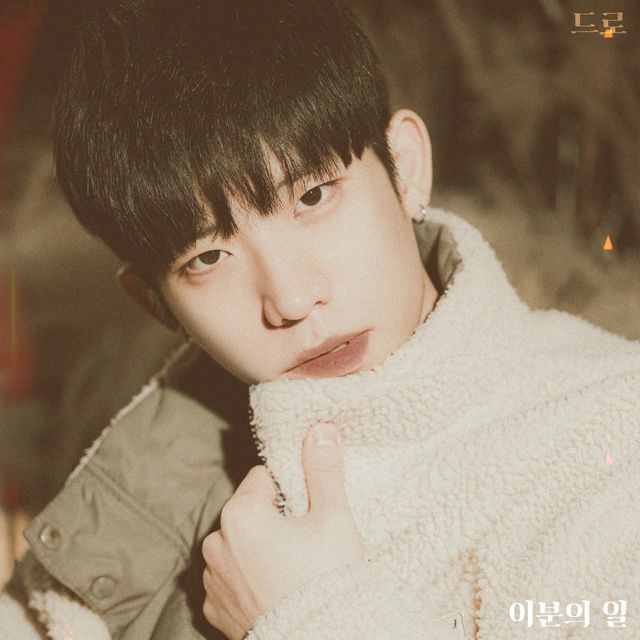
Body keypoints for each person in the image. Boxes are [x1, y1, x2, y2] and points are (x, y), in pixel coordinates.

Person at [2, 1, 639, 638]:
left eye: (313, 196)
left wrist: (307, 611)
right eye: (208, 257)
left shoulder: (611, 430)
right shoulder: (149, 476)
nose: (291, 299)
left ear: (405, 168)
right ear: (157, 305)